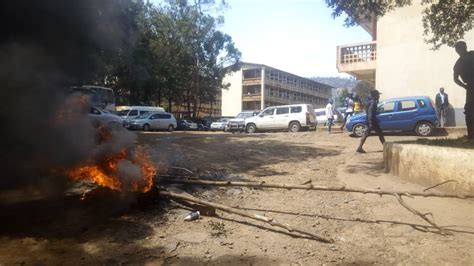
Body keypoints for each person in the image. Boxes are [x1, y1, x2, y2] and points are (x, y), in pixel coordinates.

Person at [453, 41, 474, 142]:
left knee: (469, 111)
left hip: (470, 87)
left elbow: (456, 79)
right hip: (470, 87)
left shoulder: (459, 63)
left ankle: (471, 135)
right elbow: (455, 79)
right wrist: (465, 86)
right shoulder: (458, 63)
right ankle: (471, 135)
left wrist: (465, 86)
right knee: (469, 111)